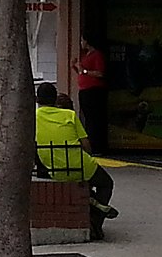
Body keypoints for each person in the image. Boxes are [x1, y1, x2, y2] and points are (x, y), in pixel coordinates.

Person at [31, 81, 116, 219]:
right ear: (55, 99)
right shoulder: (69, 115)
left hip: (54, 170)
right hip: (80, 165)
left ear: (37, 99)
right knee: (106, 183)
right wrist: (88, 157)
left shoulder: (32, 119)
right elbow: (86, 144)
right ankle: (96, 218)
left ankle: (92, 202)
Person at [76, 38, 107, 141]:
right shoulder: (86, 55)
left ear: (87, 41)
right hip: (84, 89)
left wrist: (85, 71)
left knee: (93, 118)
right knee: (87, 117)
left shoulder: (96, 55)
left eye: (82, 40)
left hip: (92, 90)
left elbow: (100, 73)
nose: (81, 43)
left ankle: (95, 142)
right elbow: (82, 73)